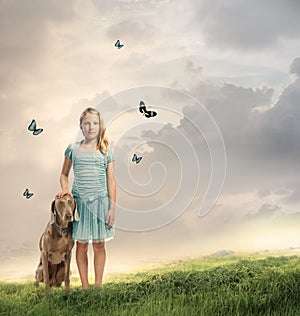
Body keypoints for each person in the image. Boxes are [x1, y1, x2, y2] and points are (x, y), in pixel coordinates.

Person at [56, 107, 116, 289]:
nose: (91, 127)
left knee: (99, 245)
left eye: (95, 123)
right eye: (87, 123)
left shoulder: (106, 150)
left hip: (100, 204)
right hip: (80, 206)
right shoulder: (73, 149)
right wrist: (65, 190)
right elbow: (63, 174)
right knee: (81, 246)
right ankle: (85, 286)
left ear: (100, 126)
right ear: (80, 126)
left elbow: (111, 181)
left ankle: (98, 285)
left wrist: (112, 207)